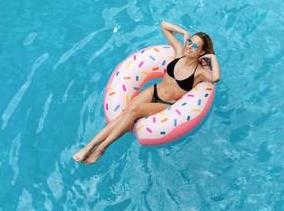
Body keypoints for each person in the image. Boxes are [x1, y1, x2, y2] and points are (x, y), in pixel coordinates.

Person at [72, 21, 220, 164]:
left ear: (202, 52)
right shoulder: (179, 52)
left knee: (134, 110)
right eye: (190, 42)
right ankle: (89, 146)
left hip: (166, 103)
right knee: (125, 114)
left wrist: (212, 57)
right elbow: (164, 25)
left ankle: (102, 148)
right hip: (154, 90)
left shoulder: (200, 72)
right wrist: (184, 33)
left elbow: (215, 78)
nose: (190, 47)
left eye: (195, 46)